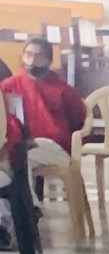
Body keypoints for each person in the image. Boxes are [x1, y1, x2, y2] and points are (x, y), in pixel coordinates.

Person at [1, 37, 85, 174]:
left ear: (48, 60)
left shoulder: (63, 90)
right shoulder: (8, 86)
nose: (32, 61)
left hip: (54, 146)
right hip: (16, 145)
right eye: (28, 55)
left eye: (39, 56)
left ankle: (25, 189)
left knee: (24, 158)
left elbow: (78, 121)